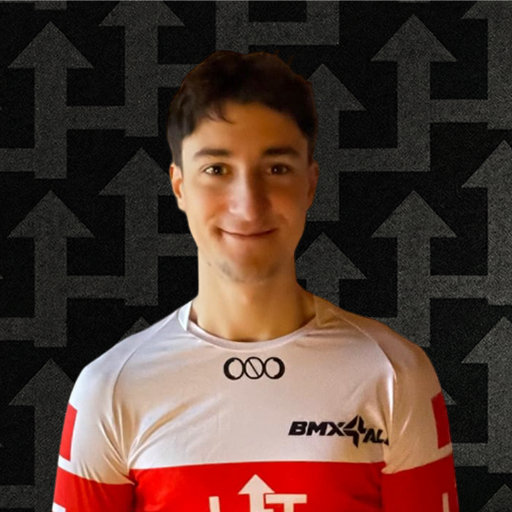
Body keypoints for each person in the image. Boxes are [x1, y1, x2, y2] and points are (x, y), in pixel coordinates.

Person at [52, 50, 460, 511]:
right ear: (179, 186)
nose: (248, 206)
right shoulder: (110, 388)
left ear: (310, 184)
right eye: (216, 169)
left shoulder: (396, 374)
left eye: (276, 168)